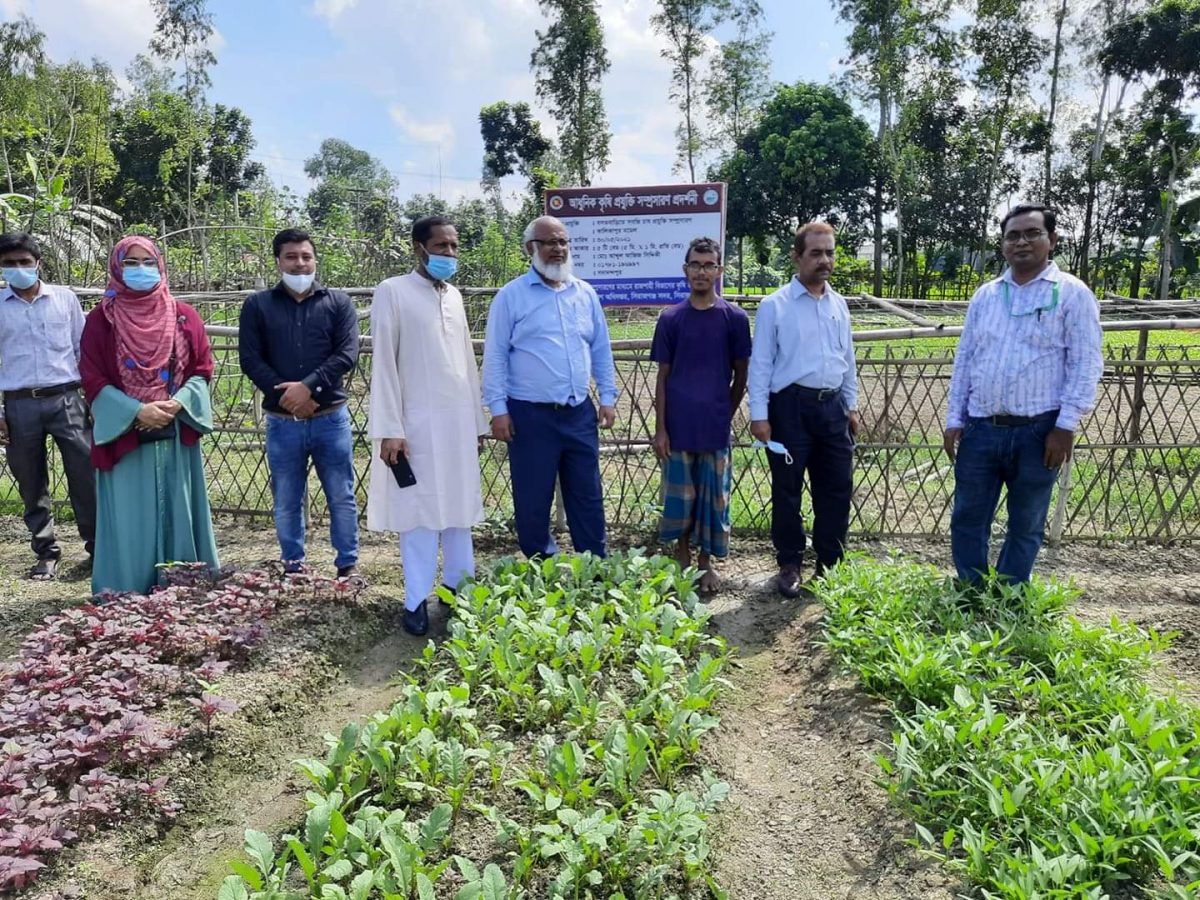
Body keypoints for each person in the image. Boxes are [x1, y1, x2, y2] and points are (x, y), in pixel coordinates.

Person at [943, 204, 1103, 586]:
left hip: (1039, 431)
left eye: (1032, 233)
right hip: (981, 427)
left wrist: (1064, 426)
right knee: (968, 516)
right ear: (1002, 246)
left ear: (1052, 240)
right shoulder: (986, 296)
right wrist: (954, 419)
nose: (1022, 242)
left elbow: (1086, 363)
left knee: (1027, 520)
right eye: (1013, 235)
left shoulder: (1072, 294)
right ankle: (971, 590)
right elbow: (965, 359)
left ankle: (1011, 594)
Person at [367, 216, 488, 636]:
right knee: (418, 512)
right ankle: (415, 598)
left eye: (454, 247)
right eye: (442, 247)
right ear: (419, 248)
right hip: (413, 424)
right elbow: (383, 361)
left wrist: (476, 423)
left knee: (458, 509)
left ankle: (459, 590)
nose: (450, 254)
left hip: (456, 424)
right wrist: (389, 428)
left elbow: (467, 364)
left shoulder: (454, 296)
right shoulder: (392, 291)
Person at [79, 235, 219, 595]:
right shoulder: (101, 320)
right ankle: (126, 590)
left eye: (147, 261)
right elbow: (92, 375)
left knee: (179, 509)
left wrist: (177, 404)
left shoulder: (184, 315)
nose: (140, 269)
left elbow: (202, 369)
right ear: (116, 268)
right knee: (129, 517)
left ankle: (185, 586)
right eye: (131, 262)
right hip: (127, 435)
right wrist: (136, 410)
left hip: (174, 431)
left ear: (160, 265)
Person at [482, 215, 617, 559]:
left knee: (587, 493)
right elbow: (495, 356)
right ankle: (542, 569)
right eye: (549, 242)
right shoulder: (511, 297)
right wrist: (498, 410)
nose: (558, 249)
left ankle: (594, 567)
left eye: (563, 242)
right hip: (530, 415)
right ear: (532, 248)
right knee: (533, 496)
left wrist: (608, 397)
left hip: (578, 412)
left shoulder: (584, 294)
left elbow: (600, 348)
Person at [748, 222, 861, 598]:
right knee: (788, 489)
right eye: (816, 253)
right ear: (797, 257)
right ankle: (790, 561)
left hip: (832, 409)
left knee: (836, 488)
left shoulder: (839, 305)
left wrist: (852, 405)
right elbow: (761, 363)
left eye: (829, 252)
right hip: (789, 409)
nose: (824, 260)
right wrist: (760, 415)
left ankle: (830, 563)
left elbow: (848, 359)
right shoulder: (774, 306)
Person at [239, 229, 360, 579]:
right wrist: (288, 399)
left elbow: (346, 354)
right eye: (291, 256)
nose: (300, 263)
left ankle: (347, 564)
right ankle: (293, 564)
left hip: (330, 418)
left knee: (341, 495)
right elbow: (251, 359)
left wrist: (308, 388)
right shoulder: (257, 305)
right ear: (278, 261)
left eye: (306, 256)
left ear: (315, 259)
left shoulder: (338, 303)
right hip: (281, 422)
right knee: (287, 499)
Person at [651, 237, 751, 593]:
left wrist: (726, 410)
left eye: (709, 265)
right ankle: (682, 558)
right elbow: (662, 377)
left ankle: (707, 563)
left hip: (714, 426)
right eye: (695, 264)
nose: (702, 272)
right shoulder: (671, 319)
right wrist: (660, 429)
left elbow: (741, 373)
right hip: (677, 427)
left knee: (713, 499)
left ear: (719, 271)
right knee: (680, 498)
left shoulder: (734, 319)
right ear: (685, 270)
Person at [0, 232, 96, 580]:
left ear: (38, 264)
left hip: (66, 398)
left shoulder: (65, 299)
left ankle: (97, 548)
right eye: (9, 264)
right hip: (18, 404)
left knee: (85, 476)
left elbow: (82, 349)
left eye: (24, 262)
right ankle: (46, 552)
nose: (18, 269)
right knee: (30, 480)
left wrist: (91, 398)